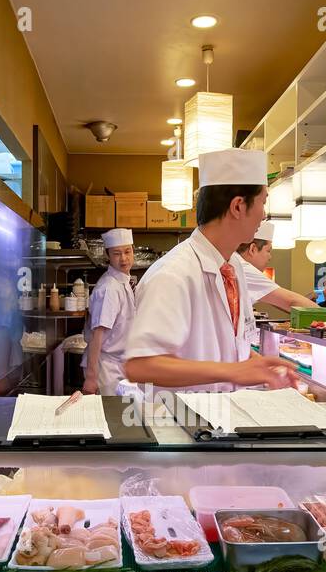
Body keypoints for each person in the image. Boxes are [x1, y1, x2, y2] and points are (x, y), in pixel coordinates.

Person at [124, 148, 296, 393]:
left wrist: (264, 369)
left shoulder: (233, 266)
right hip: (177, 422)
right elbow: (141, 367)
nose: (264, 214)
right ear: (238, 206)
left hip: (220, 419)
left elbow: (232, 348)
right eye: (262, 202)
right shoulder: (172, 274)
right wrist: (233, 371)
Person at [82, 229, 137, 396]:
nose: (124, 258)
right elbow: (97, 335)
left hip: (120, 365)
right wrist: (91, 378)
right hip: (104, 370)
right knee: (108, 418)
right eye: (117, 254)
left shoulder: (125, 281)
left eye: (127, 251)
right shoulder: (109, 289)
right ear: (108, 256)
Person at [235, 221, 315, 311]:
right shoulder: (242, 268)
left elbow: (276, 300)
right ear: (253, 249)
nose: (270, 257)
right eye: (268, 251)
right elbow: (291, 301)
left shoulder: (235, 261)